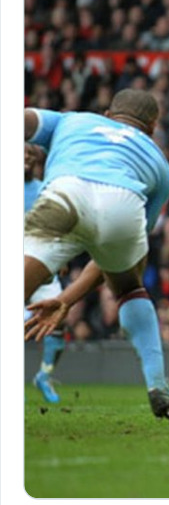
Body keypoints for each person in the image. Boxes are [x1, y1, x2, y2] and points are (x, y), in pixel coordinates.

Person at [24, 89, 169, 428]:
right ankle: (158, 385)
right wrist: (67, 300)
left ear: (106, 114)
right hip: (124, 202)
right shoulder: (162, 168)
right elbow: (110, 261)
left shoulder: (73, 120)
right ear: (152, 128)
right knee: (130, 287)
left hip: (66, 192)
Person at [25, 144, 65, 403]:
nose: (26, 158)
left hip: (41, 264)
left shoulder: (44, 190)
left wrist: (61, 254)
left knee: (57, 319)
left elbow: (55, 225)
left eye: (30, 154)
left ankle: (44, 376)